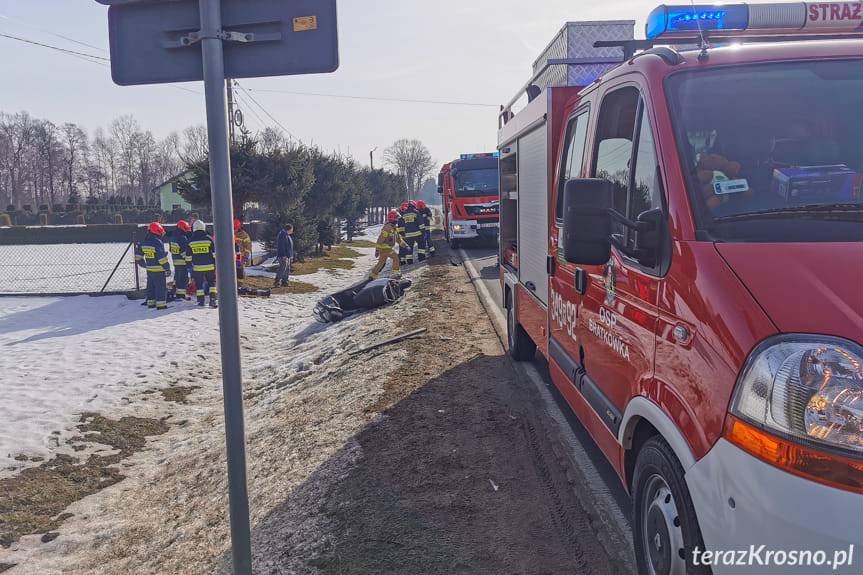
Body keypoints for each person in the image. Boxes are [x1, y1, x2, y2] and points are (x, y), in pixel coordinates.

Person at [140, 222, 171, 310]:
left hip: (149, 269)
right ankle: (161, 306)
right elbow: (161, 258)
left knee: (150, 287)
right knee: (160, 287)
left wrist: (144, 264)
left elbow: (138, 256)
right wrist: (167, 268)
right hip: (159, 270)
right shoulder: (157, 242)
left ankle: (151, 303)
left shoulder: (145, 241)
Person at [370, 211, 408, 280]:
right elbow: (380, 239)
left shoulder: (394, 228)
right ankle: (396, 274)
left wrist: (405, 246)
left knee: (381, 262)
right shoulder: (387, 227)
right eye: (396, 218)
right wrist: (377, 250)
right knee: (396, 257)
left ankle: (373, 276)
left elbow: (398, 239)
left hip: (386, 248)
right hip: (384, 247)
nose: (397, 219)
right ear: (392, 218)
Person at [189, 219, 218, 308]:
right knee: (211, 283)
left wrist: (190, 266)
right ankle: (212, 300)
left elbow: (188, 256)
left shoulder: (191, 240)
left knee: (199, 284)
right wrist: (215, 264)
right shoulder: (209, 239)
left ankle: (201, 301)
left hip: (197, 267)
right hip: (209, 266)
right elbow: (214, 254)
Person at [169, 220, 192, 300]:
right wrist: (189, 261)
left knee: (178, 277)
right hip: (182, 262)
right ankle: (181, 295)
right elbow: (185, 252)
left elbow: (171, 249)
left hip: (175, 260)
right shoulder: (182, 238)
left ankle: (177, 293)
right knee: (183, 278)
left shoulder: (173, 237)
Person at [400, 200, 423, 264]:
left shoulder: (404, 214)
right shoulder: (416, 212)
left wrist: (403, 233)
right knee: (421, 245)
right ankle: (421, 258)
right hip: (417, 233)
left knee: (409, 248)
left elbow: (402, 224)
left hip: (408, 235)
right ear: (414, 205)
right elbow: (420, 223)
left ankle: (409, 261)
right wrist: (423, 231)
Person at [275, 223, 294, 288]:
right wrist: (283, 255)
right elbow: (281, 246)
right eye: (292, 229)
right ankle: (277, 282)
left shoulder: (287, 235)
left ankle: (284, 282)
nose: (292, 231)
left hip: (287, 256)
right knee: (282, 268)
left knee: (287, 269)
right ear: (289, 229)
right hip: (283, 256)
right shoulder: (282, 235)